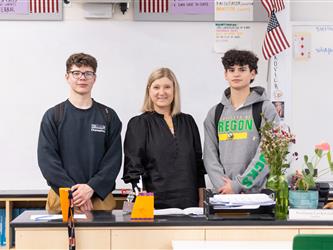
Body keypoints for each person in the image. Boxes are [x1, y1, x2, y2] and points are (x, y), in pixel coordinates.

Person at [37, 53, 122, 212]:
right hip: (61, 197)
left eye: (87, 73)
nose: (82, 78)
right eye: (76, 73)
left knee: (102, 238)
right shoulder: (54, 115)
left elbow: (113, 160)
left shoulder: (108, 116)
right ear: (67, 77)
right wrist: (74, 193)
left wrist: (91, 188)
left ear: (94, 78)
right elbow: (47, 161)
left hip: (99, 199)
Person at [122, 68, 206, 209]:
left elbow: (198, 166)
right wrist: (144, 205)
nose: (162, 92)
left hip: (190, 205)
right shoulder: (139, 124)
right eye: (156, 87)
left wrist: (202, 201)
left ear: (174, 90)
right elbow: (134, 170)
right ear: (149, 90)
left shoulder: (188, 122)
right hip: (154, 205)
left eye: (167, 87)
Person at [204, 49, 279, 194]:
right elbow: (209, 156)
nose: (236, 74)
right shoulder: (215, 113)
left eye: (242, 69)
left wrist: (239, 184)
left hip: (257, 196)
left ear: (253, 73)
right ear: (226, 74)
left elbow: (268, 152)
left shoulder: (265, 108)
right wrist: (225, 187)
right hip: (224, 195)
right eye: (231, 70)